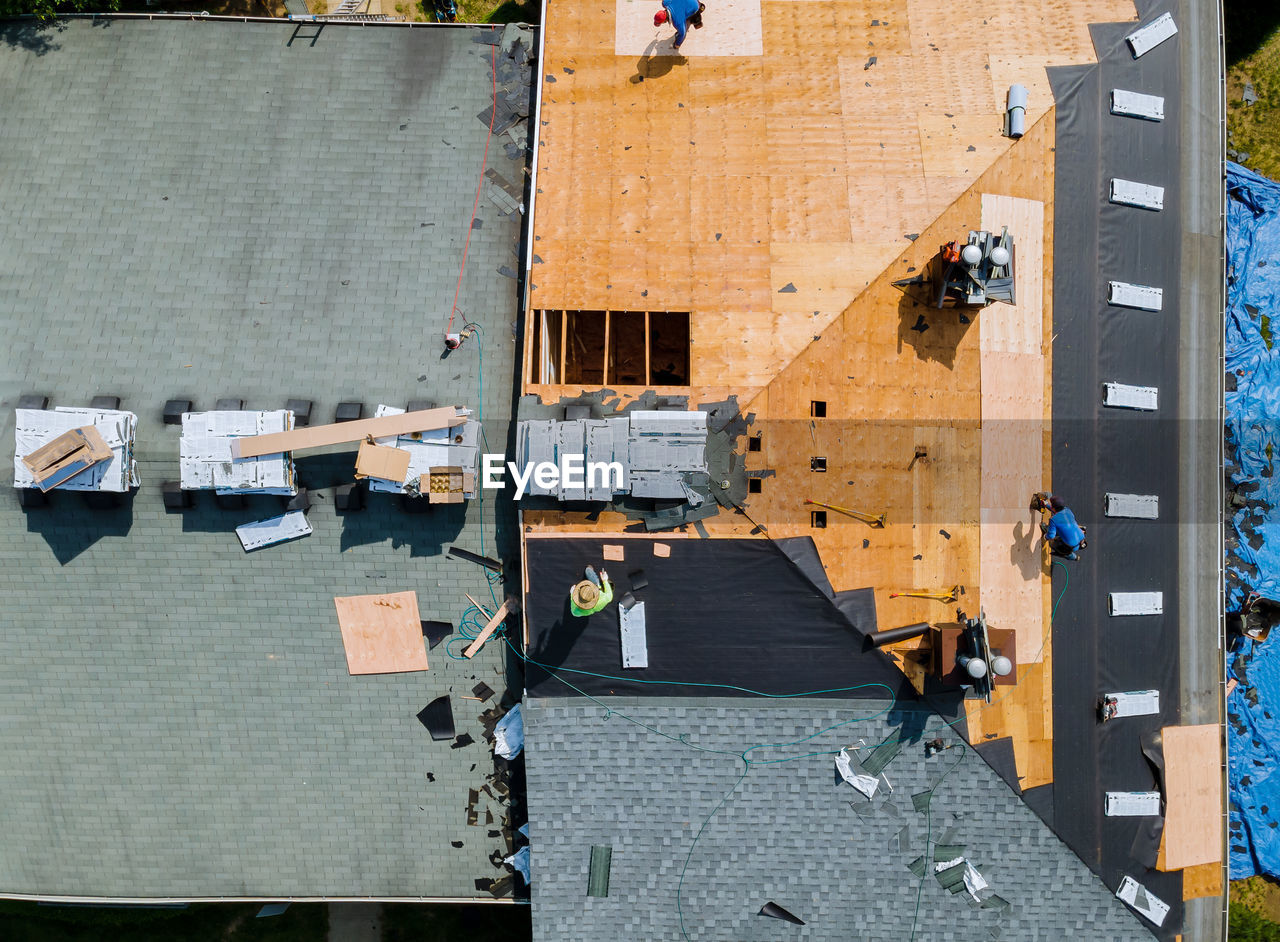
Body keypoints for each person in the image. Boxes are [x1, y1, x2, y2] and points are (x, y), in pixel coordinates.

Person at [1031, 492, 1087, 560]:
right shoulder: (1067, 510)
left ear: (1053, 507)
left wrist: (1045, 537)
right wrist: (1045, 504)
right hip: (1081, 538)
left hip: (1070, 546)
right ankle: (1075, 557)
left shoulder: (1053, 520)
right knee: (1063, 528)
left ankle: (1074, 557)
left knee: (1053, 543)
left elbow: (1051, 536)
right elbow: (1056, 510)